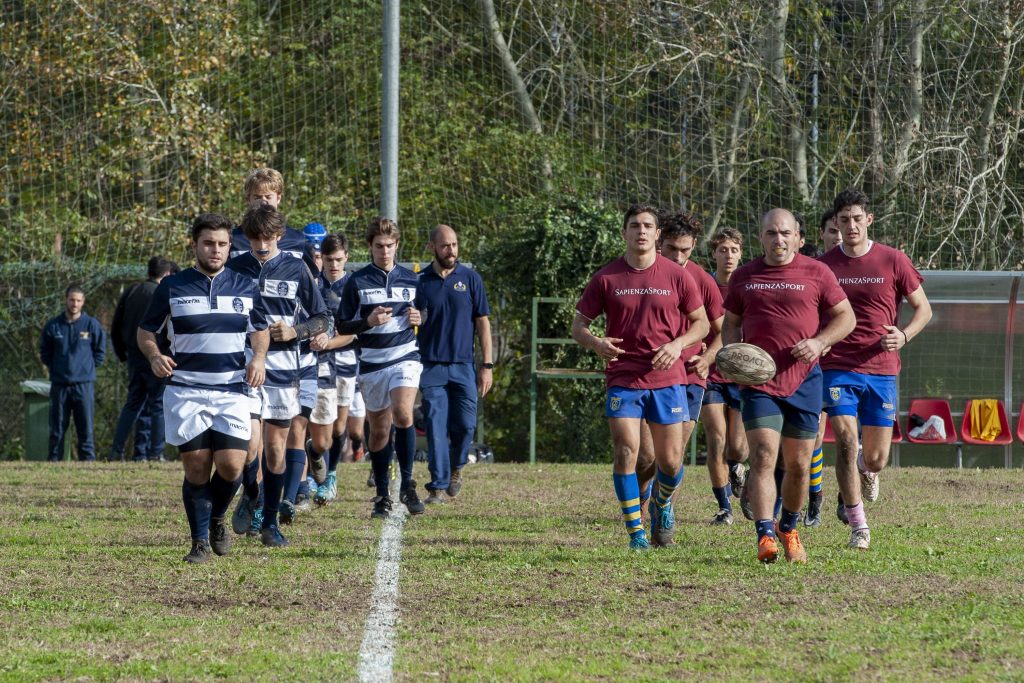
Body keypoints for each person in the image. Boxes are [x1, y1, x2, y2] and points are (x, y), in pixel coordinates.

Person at [572, 204, 709, 550]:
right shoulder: (607, 277)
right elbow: (578, 326)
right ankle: (636, 533)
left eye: (648, 225)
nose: (642, 231)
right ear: (624, 232)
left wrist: (678, 345)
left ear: (657, 234)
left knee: (671, 461)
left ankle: (662, 504)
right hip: (624, 378)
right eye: (635, 225)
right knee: (626, 451)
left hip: (668, 378)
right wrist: (596, 342)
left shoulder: (678, 276)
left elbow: (703, 324)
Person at [722, 208, 855, 564]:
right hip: (760, 384)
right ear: (760, 237)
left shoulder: (818, 272)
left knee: (797, 466)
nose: (777, 240)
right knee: (764, 455)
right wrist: (733, 357)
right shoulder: (745, 276)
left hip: (805, 380)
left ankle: (789, 527)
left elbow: (846, 317)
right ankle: (765, 534)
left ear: (799, 238)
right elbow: (731, 323)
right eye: (770, 233)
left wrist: (819, 342)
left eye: (784, 233)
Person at [137, 213, 269, 563]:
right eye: (209, 243)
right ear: (194, 245)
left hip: (232, 390)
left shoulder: (244, 285)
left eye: (223, 244)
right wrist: (154, 356)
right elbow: (146, 332)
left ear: (230, 246)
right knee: (197, 467)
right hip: (186, 390)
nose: (216, 250)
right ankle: (198, 543)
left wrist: (258, 358)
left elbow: (259, 329)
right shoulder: (172, 286)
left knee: (231, 467)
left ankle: (216, 519)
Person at [819, 188, 932, 549]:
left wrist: (904, 334)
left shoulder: (893, 260)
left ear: (868, 220)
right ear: (835, 224)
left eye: (857, 218)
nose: (851, 225)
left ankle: (867, 473)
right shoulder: (823, 266)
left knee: (876, 457)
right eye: (843, 220)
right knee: (846, 441)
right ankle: (859, 526)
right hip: (837, 366)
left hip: (881, 368)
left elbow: (924, 309)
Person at [225, 206, 329, 547]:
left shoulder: (297, 267)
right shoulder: (235, 267)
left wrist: (295, 331)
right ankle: (250, 492)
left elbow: (322, 317)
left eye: (268, 238)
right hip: (246, 368)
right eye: (255, 238)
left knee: (274, 449)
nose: (262, 244)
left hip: (286, 370)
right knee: (247, 446)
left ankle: (269, 523)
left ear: (279, 236)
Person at [634, 211, 725, 531]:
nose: (678, 257)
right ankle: (641, 493)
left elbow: (722, 330)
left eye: (685, 250)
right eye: (671, 249)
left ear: (694, 247)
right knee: (646, 457)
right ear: (660, 243)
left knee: (673, 455)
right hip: (646, 376)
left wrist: (708, 358)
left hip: (690, 377)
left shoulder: (702, 280)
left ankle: (663, 507)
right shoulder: (642, 273)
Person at [337, 217, 426, 518]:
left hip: (405, 357)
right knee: (379, 431)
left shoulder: (413, 279)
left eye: (389, 246)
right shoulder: (358, 281)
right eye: (378, 246)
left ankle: (409, 484)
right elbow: (342, 323)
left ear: (397, 245)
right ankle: (382, 495)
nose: (384, 251)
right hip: (372, 363)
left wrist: (420, 319)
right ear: (370, 247)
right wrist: (367, 322)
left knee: (403, 412)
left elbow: (424, 311)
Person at [415, 224, 493, 504]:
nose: (451, 250)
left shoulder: (471, 279)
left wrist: (487, 365)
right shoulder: (420, 281)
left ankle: (457, 467)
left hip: (464, 367)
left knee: (465, 425)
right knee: (435, 425)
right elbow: (414, 319)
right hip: (431, 367)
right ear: (432, 247)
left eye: (455, 245)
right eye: (446, 245)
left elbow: (482, 324)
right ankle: (436, 486)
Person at [700, 227, 751, 523]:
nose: (728, 255)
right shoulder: (704, 286)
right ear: (714, 254)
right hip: (712, 375)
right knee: (716, 438)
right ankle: (724, 508)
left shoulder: (750, 284)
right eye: (722, 250)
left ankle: (736, 466)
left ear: (740, 253)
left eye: (733, 250)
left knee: (738, 446)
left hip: (743, 374)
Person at [109, 256, 179, 462]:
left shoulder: (131, 291)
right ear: (166, 274)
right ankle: (156, 452)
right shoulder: (162, 293)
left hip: (133, 357)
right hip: (156, 356)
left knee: (132, 404)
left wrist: (122, 353)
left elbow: (116, 325)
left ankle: (117, 451)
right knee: (157, 404)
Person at [39, 285, 107, 462]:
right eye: (71, 299)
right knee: (57, 428)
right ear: (65, 300)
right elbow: (45, 353)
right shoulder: (53, 326)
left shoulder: (91, 325)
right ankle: (54, 463)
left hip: (83, 385)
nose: (74, 304)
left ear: (83, 302)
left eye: (78, 300)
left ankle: (88, 464)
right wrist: (57, 368)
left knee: (86, 428)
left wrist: (86, 369)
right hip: (60, 385)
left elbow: (100, 353)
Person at [230, 168, 308, 259]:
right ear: (248, 199)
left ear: (278, 198)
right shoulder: (234, 239)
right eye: (257, 197)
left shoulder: (297, 239)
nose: (263, 202)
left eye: (268, 197)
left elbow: (310, 272)